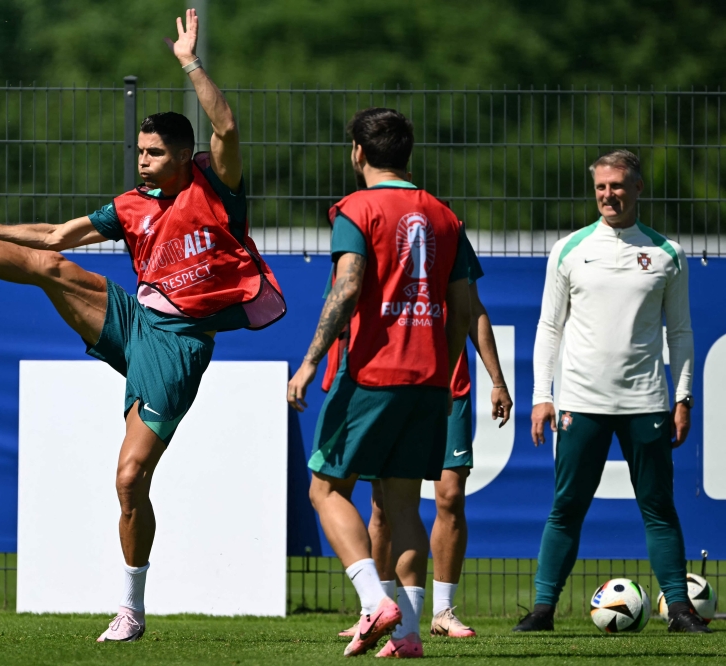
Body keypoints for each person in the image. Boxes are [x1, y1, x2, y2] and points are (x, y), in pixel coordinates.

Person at [0, 9, 285, 642]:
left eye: (155, 153)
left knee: (130, 478)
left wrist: (189, 61)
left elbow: (228, 124)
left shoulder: (218, 191)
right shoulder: (131, 206)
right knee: (52, 264)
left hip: (180, 346)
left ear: (186, 155)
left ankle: (131, 608)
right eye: (138, 152)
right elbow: (53, 235)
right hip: (135, 320)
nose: (142, 162)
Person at [288, 107, 472, 658]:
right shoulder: (445, 216)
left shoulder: (357, 207)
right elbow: (463, 310)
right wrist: (442, 370)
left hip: (372, 374)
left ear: (358, 152)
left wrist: (309, 362)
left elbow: (346, 288)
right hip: (430, 379)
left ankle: (374, 602)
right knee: (402, 505)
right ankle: (411, 635)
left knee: (324, 488)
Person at [512, 149, 707, 633]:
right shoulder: (569, 249)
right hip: (580, 403)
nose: (608, 195)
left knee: (659, 508)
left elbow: (680, 333)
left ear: (638, 187)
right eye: (601, 186)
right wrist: (542, 395)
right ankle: (543, 610)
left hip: (646, 403)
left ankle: (680, 609)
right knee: (567, 508)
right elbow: (548, 327)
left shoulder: (668, 254)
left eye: (617, 185)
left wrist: (682, 397)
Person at [337, 248, 512, 641]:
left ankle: (442, 612)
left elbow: (473, 309)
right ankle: (376, 610)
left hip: (451, 386)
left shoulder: (449, 228)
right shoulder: (376, 221)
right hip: (393, 383)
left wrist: (497, 381)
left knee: (450, 496)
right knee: (384, 504)